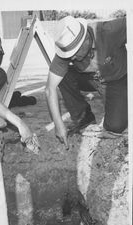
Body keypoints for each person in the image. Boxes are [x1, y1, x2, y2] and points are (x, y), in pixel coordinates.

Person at [45, 15, 127, 149]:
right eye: (68, 53)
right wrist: (58, 124)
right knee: (63, 76)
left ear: (86, 39)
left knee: (115, 126)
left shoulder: (110, 31)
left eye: (74, 52)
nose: (71, 57)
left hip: (116, 81)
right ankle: (84, 117)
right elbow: (50, 88)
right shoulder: (66, 48)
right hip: (91, 79)